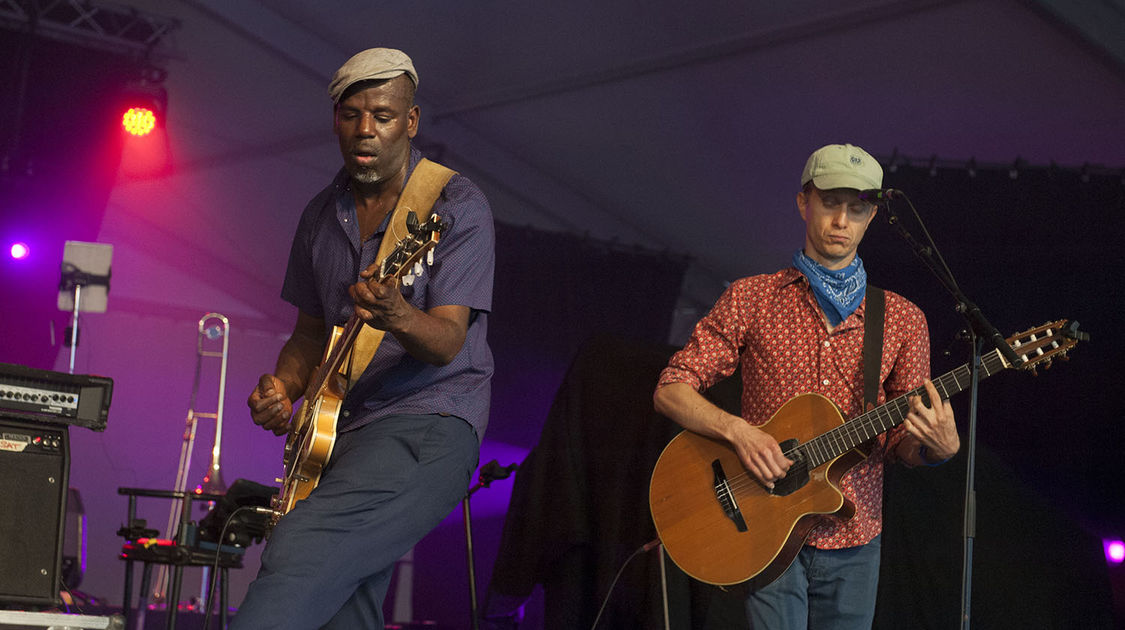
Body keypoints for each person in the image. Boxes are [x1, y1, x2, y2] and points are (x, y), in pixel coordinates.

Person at [237, 48, 495, 629]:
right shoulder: (320, 214)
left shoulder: (455, 206)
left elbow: (449, 341)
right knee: (340, 605)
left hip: (428, 421)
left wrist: (398, 313)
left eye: (382, 114)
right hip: (344, 434)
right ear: (335, 119)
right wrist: (283, 384)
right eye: (352, 114)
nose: (365, 130)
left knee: (300, 549)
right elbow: (308, 335)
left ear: (411, 121)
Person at [653, 143, 960, 629]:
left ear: (872, 215)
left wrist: (936, 449)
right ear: (803, 203)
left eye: (856, 209)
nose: (841, 221)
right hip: (761, 522)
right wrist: (740, 432)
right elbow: (672, 387)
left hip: (855, 534)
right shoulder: (751, 297)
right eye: (830, 204)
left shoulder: (901, 319)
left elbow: (902, 444)